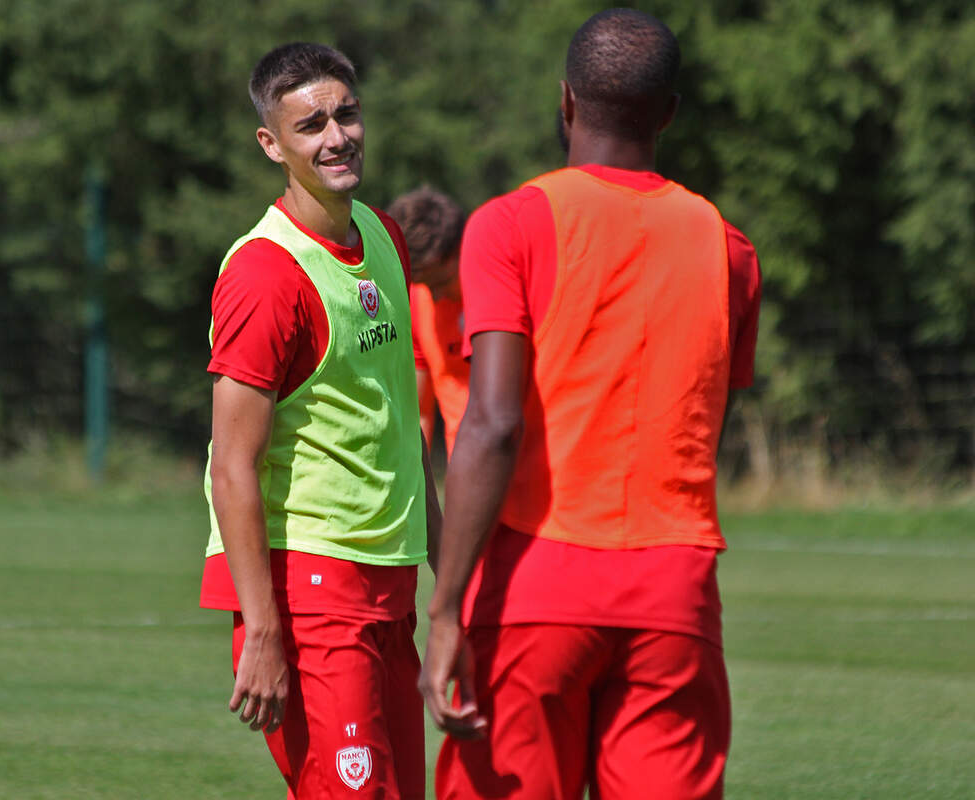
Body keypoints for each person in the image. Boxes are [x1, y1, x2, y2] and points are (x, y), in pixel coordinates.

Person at [419, 9, 761, 800]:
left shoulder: (510, 224)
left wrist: (444, 613)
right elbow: (706, 427)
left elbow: (493, 422)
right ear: (670, 112)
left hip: (534, 583)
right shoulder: (729, 248)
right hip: (673, 591)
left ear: (565, 101)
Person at [199, 42, 440, 799]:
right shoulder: (266, 275)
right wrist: (262, 630)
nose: (336, 136)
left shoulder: (384, 235)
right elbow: (233, 465)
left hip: (388, 579)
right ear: (272, 144)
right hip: (310, 590)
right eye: (310, 126)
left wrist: (452, 579)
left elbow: (402, 422)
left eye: (346, 114)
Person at [388, 187, 469, 457]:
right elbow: (419, 416)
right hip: (465, 470)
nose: (434, 297)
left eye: (443, 282)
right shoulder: (416, 303)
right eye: (424, 284)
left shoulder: (504, 290)